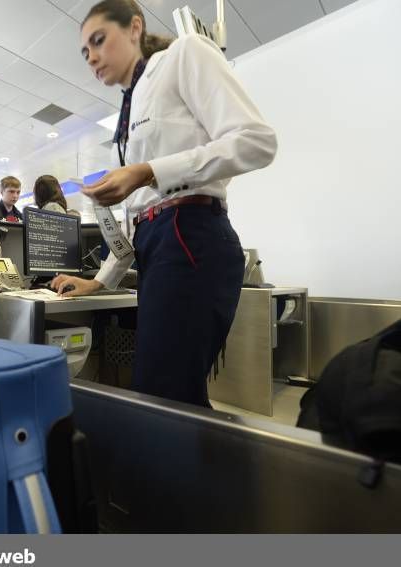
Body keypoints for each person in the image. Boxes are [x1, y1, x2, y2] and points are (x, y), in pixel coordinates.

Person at [52, 0, 277, 407]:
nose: (92, 57)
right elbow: (141, 209)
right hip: (157, 244)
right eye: (85, 52)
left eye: (99, 41)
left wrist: (150, 170)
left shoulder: (185, 54)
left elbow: (256, 141)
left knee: (163, 394)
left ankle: (175, 469)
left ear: (135, 28)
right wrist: (102, 280)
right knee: (168, 394)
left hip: (191, 236)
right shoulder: (133, 102)